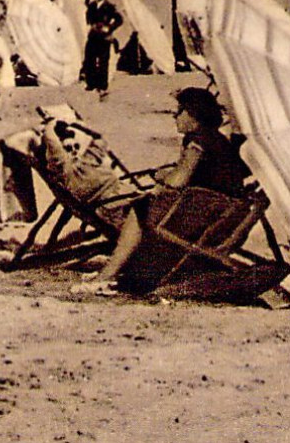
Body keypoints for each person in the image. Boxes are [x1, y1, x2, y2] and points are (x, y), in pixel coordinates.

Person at [75, 87, 252, 296]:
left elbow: (178, 181)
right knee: (148, 206)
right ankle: (120, 270)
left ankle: (107, 275)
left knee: (140, 210)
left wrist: (162, 176)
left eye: (180, 111)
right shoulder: (215, 139)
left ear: (194, 115)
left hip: (205, 216)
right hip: (220, 215)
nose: (175, 116)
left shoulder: (197, 141)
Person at [82, 0, 123, 102]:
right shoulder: (92, 5)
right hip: (93, 35)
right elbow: (88, 17)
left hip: (104, 36)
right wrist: (92, 25)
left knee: (103, 60)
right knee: (89, 59)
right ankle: (91, 83)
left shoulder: (109, 6)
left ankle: (102, 85)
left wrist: (109, 28)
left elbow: (119, 19)